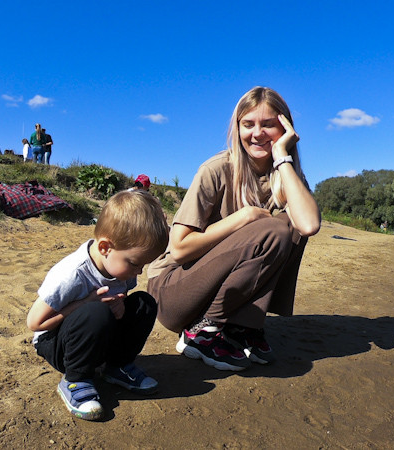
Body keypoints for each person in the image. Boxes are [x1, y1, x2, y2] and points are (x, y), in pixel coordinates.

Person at [146, 86, 321, 372]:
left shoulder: (285, 176)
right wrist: (243, 218)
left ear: (285, 127)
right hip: (171, 292)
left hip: (210, 290)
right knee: (273, 230)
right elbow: (178, 249)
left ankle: (241, 327)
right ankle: (203, 333)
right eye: (248, 124)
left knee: (292, 227)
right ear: (236, 127)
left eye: (269, 125)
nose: (257, 133)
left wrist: (282, 156)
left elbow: (309, 224)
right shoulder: (216, 169)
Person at [26, 190, 169, 420]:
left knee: (144, 303)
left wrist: (121, 309)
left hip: (96, 333)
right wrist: (85, 303)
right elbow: (36, 323)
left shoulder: (121, 268)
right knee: (95, 312)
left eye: (143, 264)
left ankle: (117, 367)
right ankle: (75, 380)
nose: (139, 271)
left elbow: (118, 301)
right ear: (105, 247)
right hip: (56, 343)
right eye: (135, 263)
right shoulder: (73, 274)